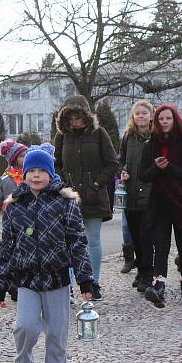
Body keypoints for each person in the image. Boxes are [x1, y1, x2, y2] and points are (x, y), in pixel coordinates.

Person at [0, 147, 94, 363]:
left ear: (50, 174)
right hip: (25, 280)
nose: (36, 176)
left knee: (57, 333)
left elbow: (77, 242)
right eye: (31, 171)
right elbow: (7, 248)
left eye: (41, 171)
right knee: (25, 327)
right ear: (24, 174)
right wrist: (0, 285)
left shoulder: (65, 203)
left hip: (56, 278)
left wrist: (85, 279)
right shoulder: (15, 206)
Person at [54, 95, 119, 302]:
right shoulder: (62, 137)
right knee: (69, 242)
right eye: (70, 118)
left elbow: (112, 163)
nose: (74, 122)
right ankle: (69, 285)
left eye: (78, 117)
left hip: (94, 197)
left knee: (92, 240)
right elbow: (56, 165)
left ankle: (93, 282)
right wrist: (64, 185)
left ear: (86, 116)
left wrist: (96, 185)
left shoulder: (99, 134)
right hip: (69, 198)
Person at [139, 104, 182, 308]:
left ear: (175, 120)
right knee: (161, 246)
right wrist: (157, 168)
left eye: (168, 118)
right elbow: (143, 175)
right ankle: (160, 286)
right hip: (159, 203)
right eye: (161, 119)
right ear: (155, 122)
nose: (165, 122)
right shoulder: (150, 145)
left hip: (181, 201)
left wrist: (171, 169)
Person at [118, 100, 155, 293]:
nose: (140, 116)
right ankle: (141, 270)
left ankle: (148, 274)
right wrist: (122, 171)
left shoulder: (156, 136)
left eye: (144, 113)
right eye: (137, 114)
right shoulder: (128, 137)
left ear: (151, 115)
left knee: (147, 235)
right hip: (131, 193)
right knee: (135, 236)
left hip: (150, 193)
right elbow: (121, 160)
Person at [0, 140, 28, 225]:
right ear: (13, 159)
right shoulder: (3, 180)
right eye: (22, 156)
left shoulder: (31, 176)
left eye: (26, 155)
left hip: (29, 220)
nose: (25, 158)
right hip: (10, 221)